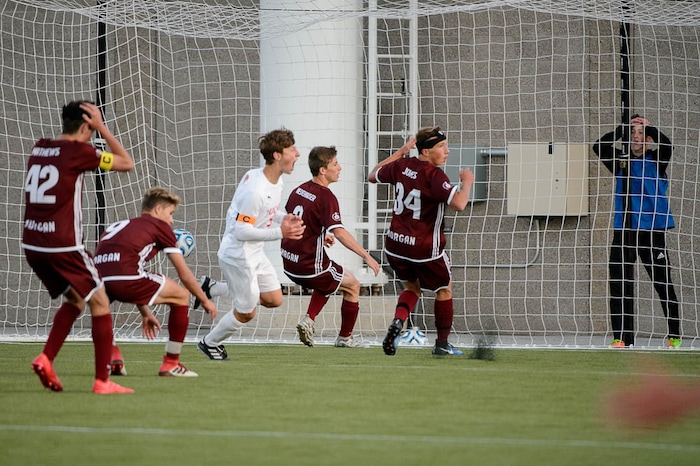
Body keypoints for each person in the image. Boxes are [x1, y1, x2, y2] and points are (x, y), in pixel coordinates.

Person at [22, 100, 135, 394]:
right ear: (86, 126)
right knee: (100, 301)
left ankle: (46, 358)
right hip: (63, 245)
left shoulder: (40, 147)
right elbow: (126, 163)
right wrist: (103, 128)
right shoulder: (80, 152)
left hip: (33, 244)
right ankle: (102, 381)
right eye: (91, 128)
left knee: (76, 300)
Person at [196, 128, 305, 360]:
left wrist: (282, 218)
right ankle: (210, 342)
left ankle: (211, 288)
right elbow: (241, 230)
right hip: (239, 257)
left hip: (255, 252)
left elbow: (266, 212)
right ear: (277, 155)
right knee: (247, 313)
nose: (297, 154)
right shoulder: (256, 190)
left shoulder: (271, 180)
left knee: (274, 299)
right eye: (292, 150)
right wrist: (281, 232)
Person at [368, 126, 475, 356]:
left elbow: (372, 175)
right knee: (444, 289)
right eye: (440, 147)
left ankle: (398, 322)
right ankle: (442, 344)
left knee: (412, 287)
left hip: (395, 245)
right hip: (425, 249)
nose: (447, 151)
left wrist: (402, 150)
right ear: (425, 152)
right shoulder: (434, 175)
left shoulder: (400, 166)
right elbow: (459, 204)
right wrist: (467, 183)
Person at [94, 187, 218, 377]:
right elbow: (183, 273)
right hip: (126, 278)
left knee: (100, 311)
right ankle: (171, 363)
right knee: (181, 295)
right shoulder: (160, 227)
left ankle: (112, 355)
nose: (171, 220)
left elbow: (120, 268)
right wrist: (204, 299)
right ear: (158, 210)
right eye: (171, 213)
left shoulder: (119, 225)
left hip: (97, 280)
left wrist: (145, 312)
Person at [592, 115, 681, 348]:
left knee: (663, 283)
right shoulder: (620, 161)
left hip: (652, 231)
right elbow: (598, 146)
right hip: (625, 230)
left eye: (641, 132)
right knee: (620, 283)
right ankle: (622, 338)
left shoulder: (658, 159)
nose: (636, 136)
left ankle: (674, 336)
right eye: (633, 132)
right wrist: (622, 129)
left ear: (648, 137)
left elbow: (668, 144)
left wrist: (648, 125)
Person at [281, 146, 381, 348]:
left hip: (288, 263)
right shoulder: (327, 197)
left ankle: (309, 319)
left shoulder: (298, 190)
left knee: (334, 277)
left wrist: (320, 233)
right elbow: (340, 233)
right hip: (309, 266)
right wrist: (366, 256)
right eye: (335, 164)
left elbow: (295, 220)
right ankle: (345, 338)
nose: (340, 168)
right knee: (352, 285)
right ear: (323, 170)